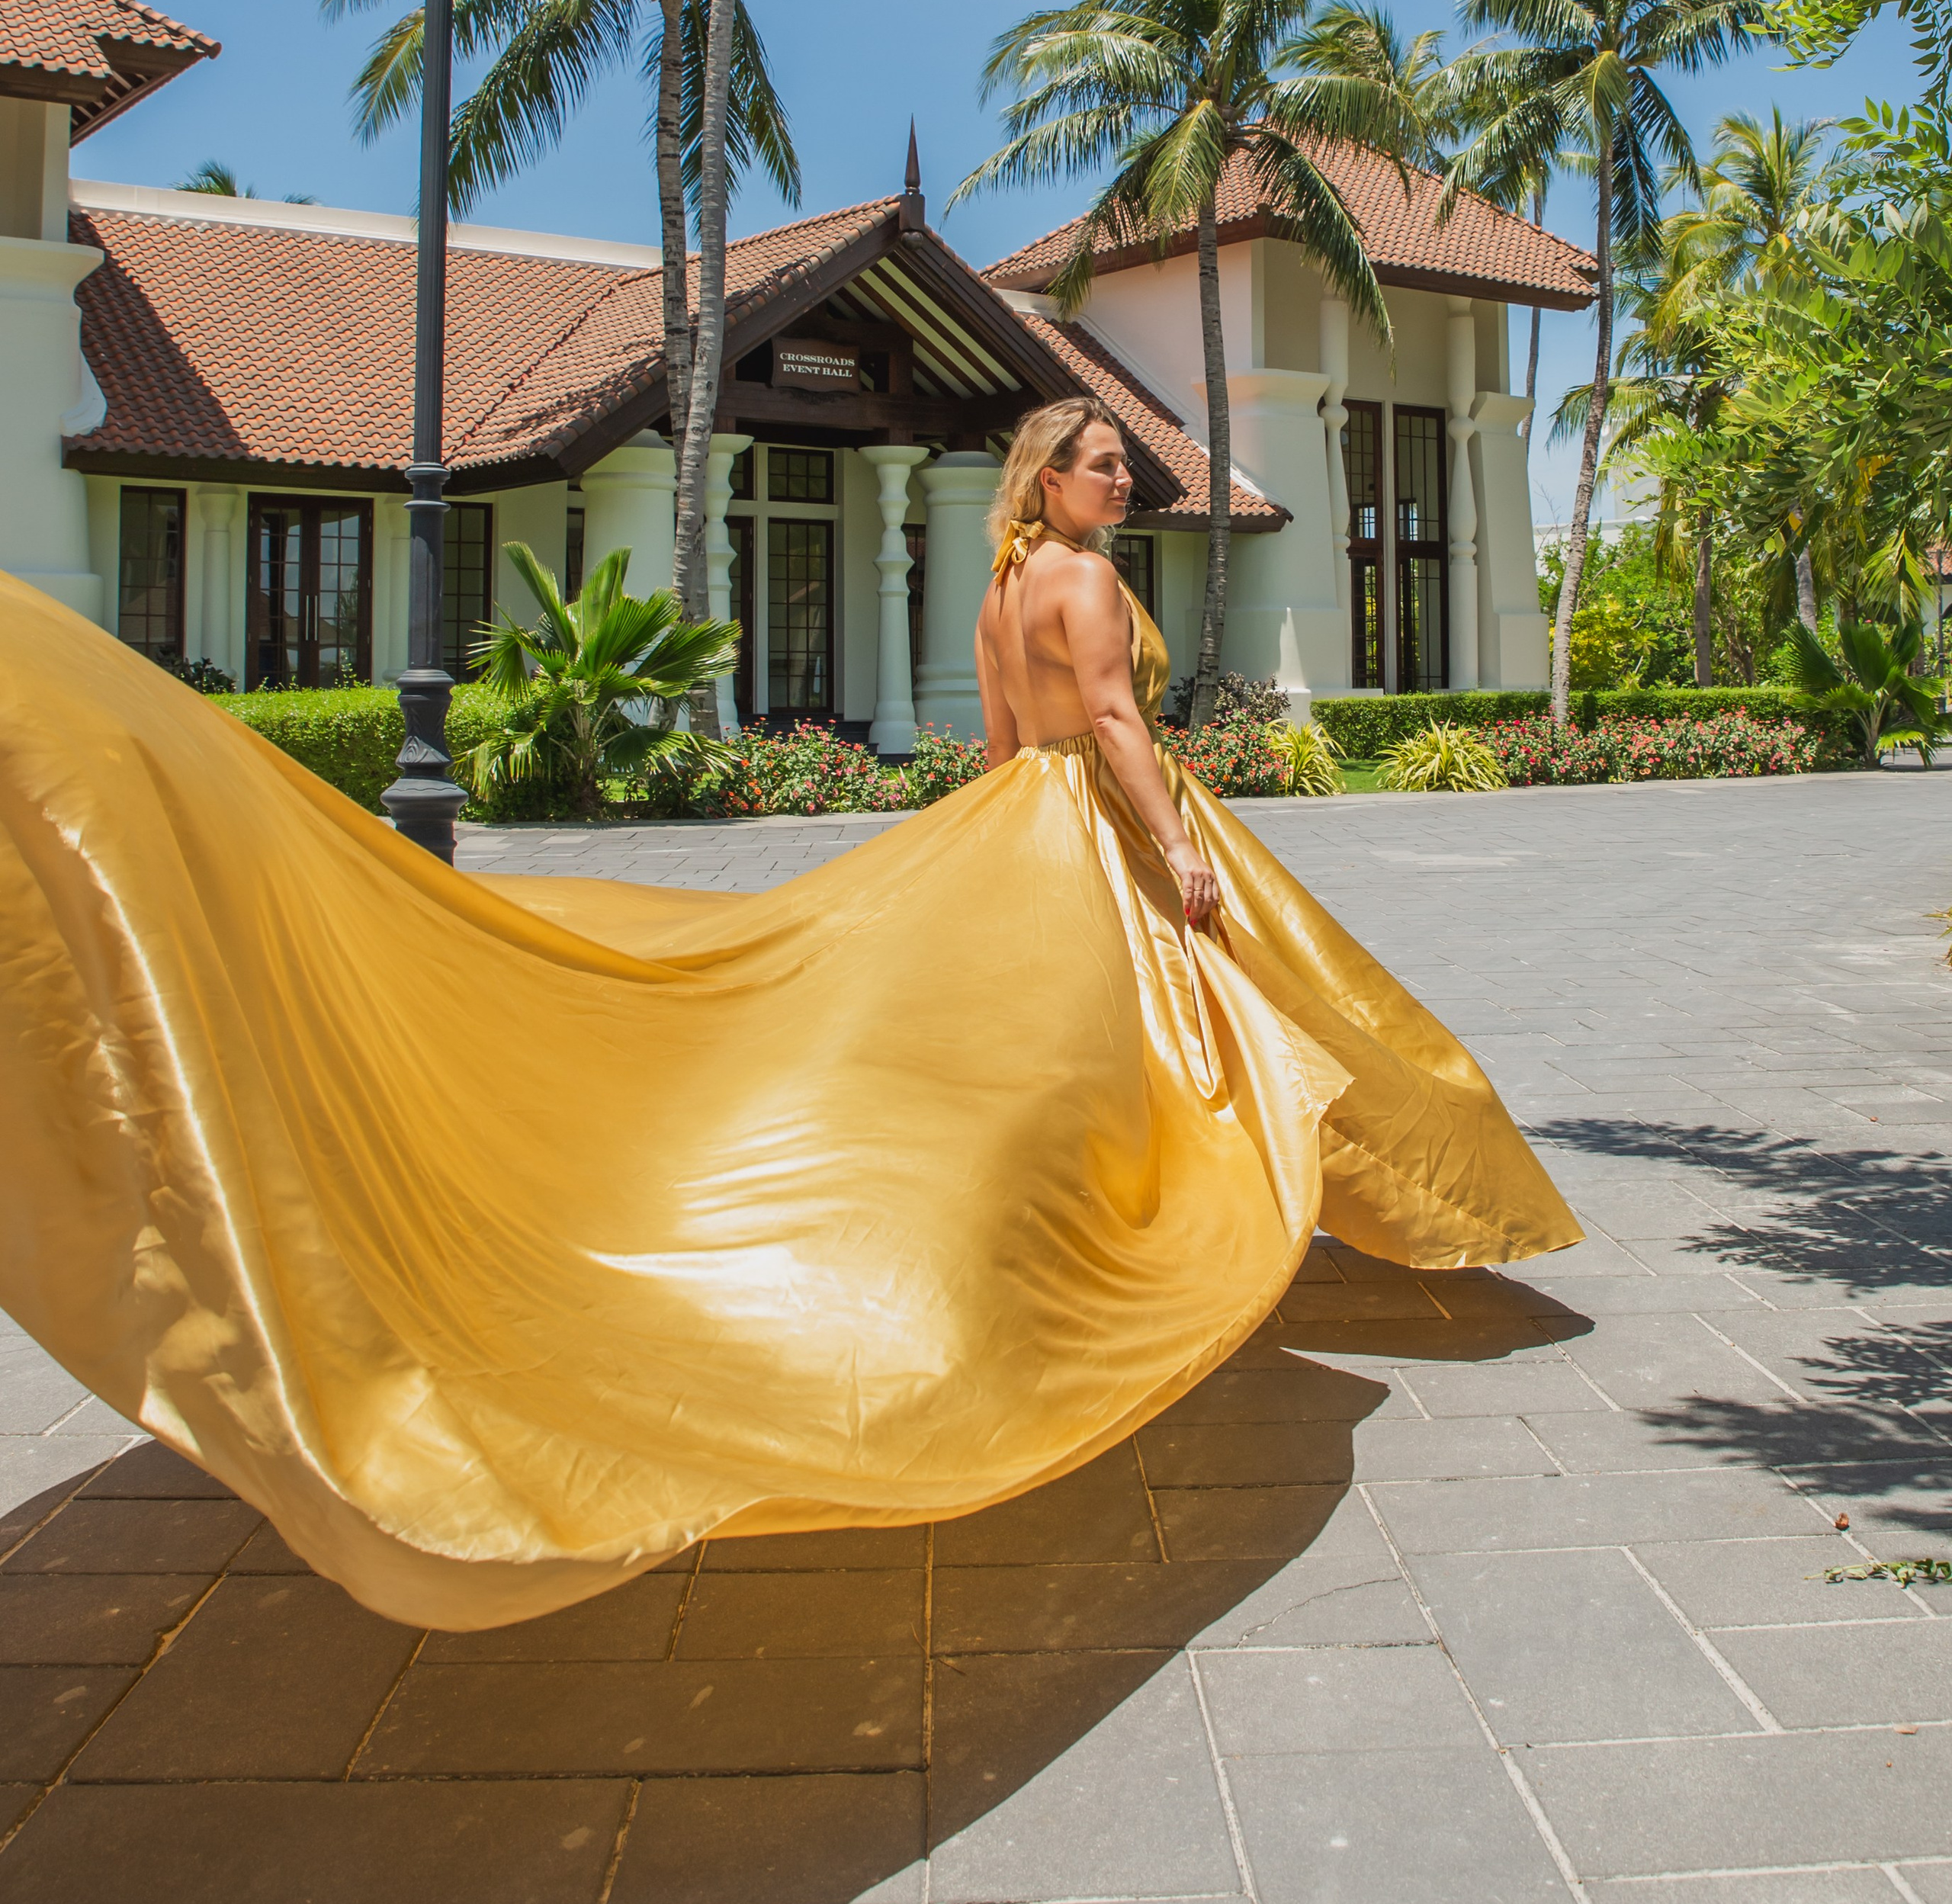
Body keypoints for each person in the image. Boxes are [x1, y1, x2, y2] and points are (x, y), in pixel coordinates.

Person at [0, 413, 1575, 1632]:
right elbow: (1103, 720)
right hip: (1101, 823)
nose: (1124, 485)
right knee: (1243, 1017)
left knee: (1080, 1051)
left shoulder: (1001, 580)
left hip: (1017, 827)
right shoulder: (1087, 584)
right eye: (1103, 468)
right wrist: (1169, 847)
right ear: (1050, 478)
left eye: (1123, 471)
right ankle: (1220, 1225)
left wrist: (972, 875)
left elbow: (993, 745)